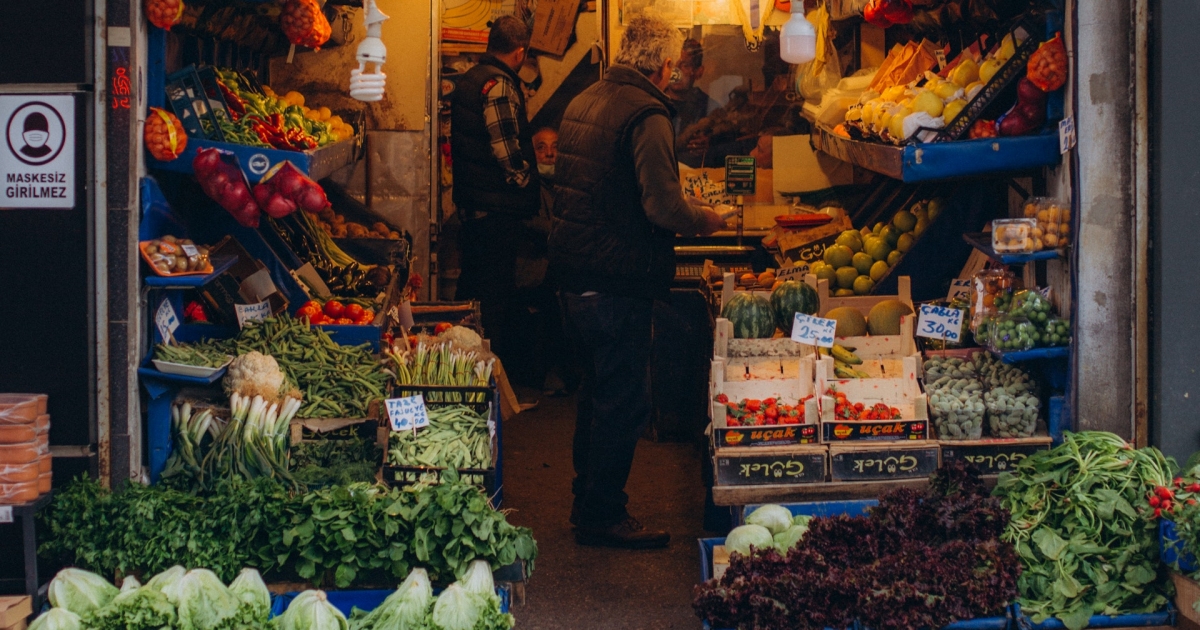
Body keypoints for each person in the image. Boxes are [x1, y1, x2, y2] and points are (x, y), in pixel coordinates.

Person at [548, 15, 728, 549]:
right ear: (666, 64)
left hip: (575, 273)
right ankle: (603, 512)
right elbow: (662, 204)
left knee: (596, 394)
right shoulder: (648, 114)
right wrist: (705, 217)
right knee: (623, 400)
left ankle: (589, 503)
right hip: (616, 278)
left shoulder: (586, 99)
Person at [451, 16, 540, 375]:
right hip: (495, 211)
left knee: (472, 296)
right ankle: (488, 382)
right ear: (520, 52)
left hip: (476, 208)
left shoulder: (470, 78)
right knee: (492, 302)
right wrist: (524, 180)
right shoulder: (498, 84)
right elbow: (506, 150)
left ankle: (464, 377)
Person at [665, 38, 718, 167]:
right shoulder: (654, 103)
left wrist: (709, 145)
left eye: (684, 65)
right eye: (672, 64)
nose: (676, 72)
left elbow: (726, 144)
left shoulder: (709, 107)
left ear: (699, 72)